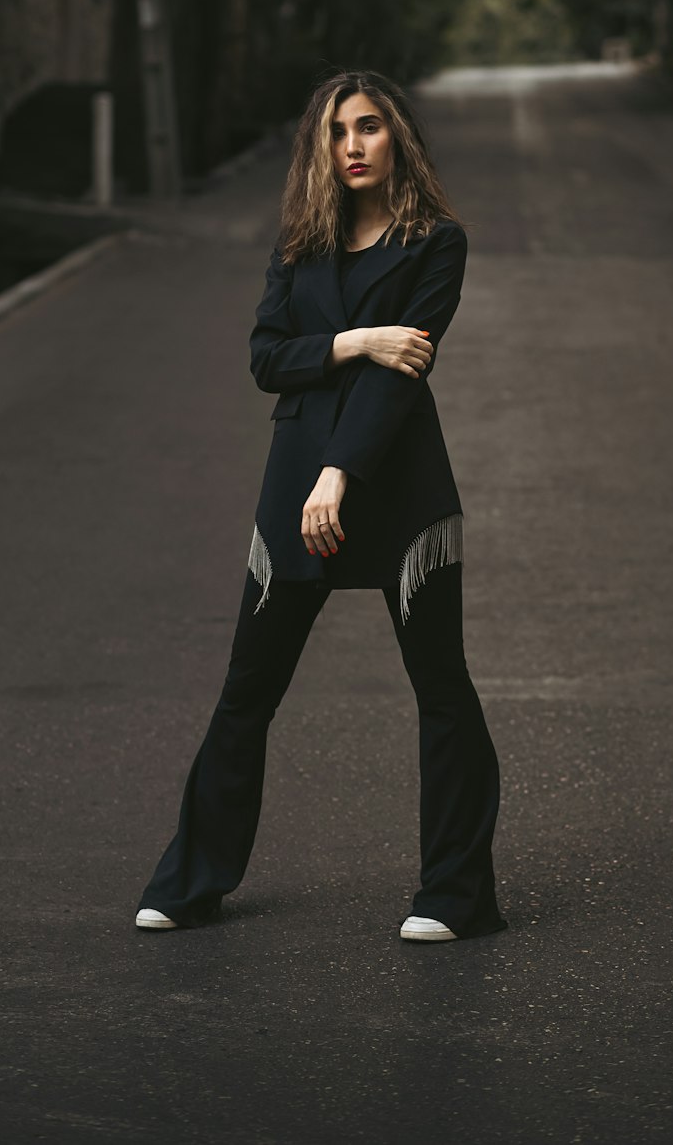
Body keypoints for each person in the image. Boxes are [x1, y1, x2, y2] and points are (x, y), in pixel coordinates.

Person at [135, 69, 507, 942]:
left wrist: (337, 474)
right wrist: (355, 339)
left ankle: (456, 896)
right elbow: (267, 356)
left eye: (370, 127)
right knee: (245, 695)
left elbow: (399, 379)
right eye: (337, 131)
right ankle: (192, 881)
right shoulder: (300, 245)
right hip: (293, 491)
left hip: (394, 490)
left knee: (441, 689)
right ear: (320, 147)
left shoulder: (435, 244)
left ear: (397, 138)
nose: (352, 145)